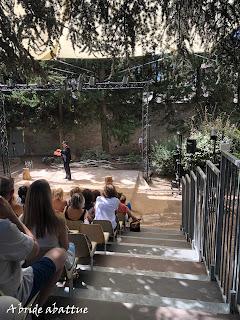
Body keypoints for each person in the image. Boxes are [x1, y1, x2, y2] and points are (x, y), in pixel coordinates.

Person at [0, 176, 66, 308]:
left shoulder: (23, 218)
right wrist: (12, 216)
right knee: (62, 252)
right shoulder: (58, 220)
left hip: (24, 268)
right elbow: (35, 249)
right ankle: (39, 305)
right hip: (13, 293)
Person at [23, 179, 69, 251]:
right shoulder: (58, 220)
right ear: (49, 197)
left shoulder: (22, 219)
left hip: (31, 261)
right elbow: (65, 247)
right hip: (53, 261)